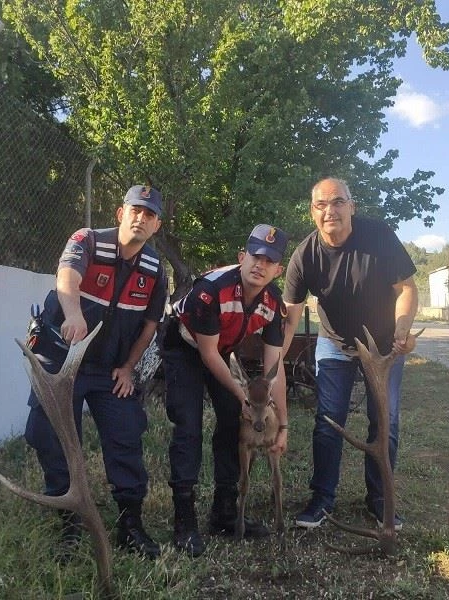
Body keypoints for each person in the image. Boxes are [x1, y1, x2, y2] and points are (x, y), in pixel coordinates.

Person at [24, 185, 168, 560]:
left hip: (110, 369)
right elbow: (67, 276)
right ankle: (67, 521)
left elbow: (150, 326)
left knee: (127, 435)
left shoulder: (155, 269)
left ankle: (130, 524)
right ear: (121, 214)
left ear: (157, 225)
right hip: (63, 360)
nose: (141, 218)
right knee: (46, 433)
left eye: (150, 214)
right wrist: (73, 313)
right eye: (136, 210)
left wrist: (129, 368)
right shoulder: (86, 239)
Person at [281, 177, 418, 530]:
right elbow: (289, 315)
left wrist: (402, 328)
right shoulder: (304, 255)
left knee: (385, 423)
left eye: (338, 202)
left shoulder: (379, 237)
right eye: (321, 205)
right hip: (335, 345)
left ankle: (380, 499)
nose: (331, 211)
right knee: (328, 422)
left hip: (385, 344)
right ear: (312, 212)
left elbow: (406, 288)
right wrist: (274, 366)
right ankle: (322, 499)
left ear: (352, 206)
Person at [161, 224, 290, 557]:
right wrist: (242, 396)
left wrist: (283, 426)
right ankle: (185, 521)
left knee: (234, 422)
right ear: (242, 257)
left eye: (270, 261)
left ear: (278, 270)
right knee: (189, 427)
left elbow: (275, 369)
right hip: (185, 348)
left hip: (220, 350)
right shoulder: (211, 289)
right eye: (256, 256)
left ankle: (224, 511)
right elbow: (206, 354)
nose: (261, 265)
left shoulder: (273, 302)